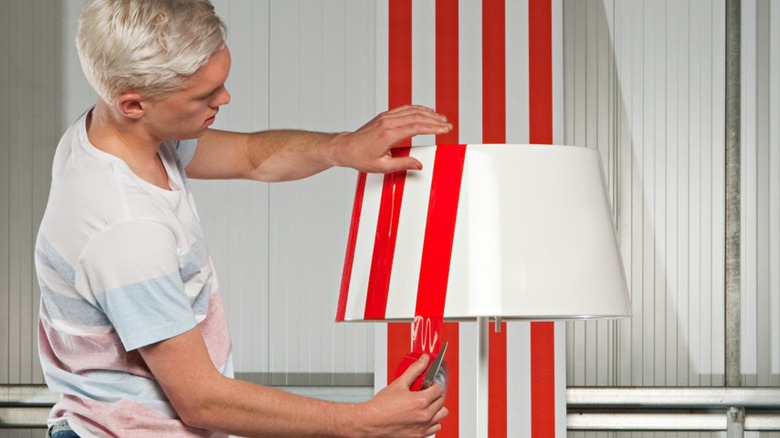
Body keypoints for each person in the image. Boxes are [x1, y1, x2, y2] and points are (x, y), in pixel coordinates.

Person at [35, 0, 452, 436]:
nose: (225, 98)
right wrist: (364, 422)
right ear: (133, 104)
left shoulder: (124, 136)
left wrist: (341, 147)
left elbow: (250, 156)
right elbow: (202, 401)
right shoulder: (124, 229)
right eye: (203, 95)